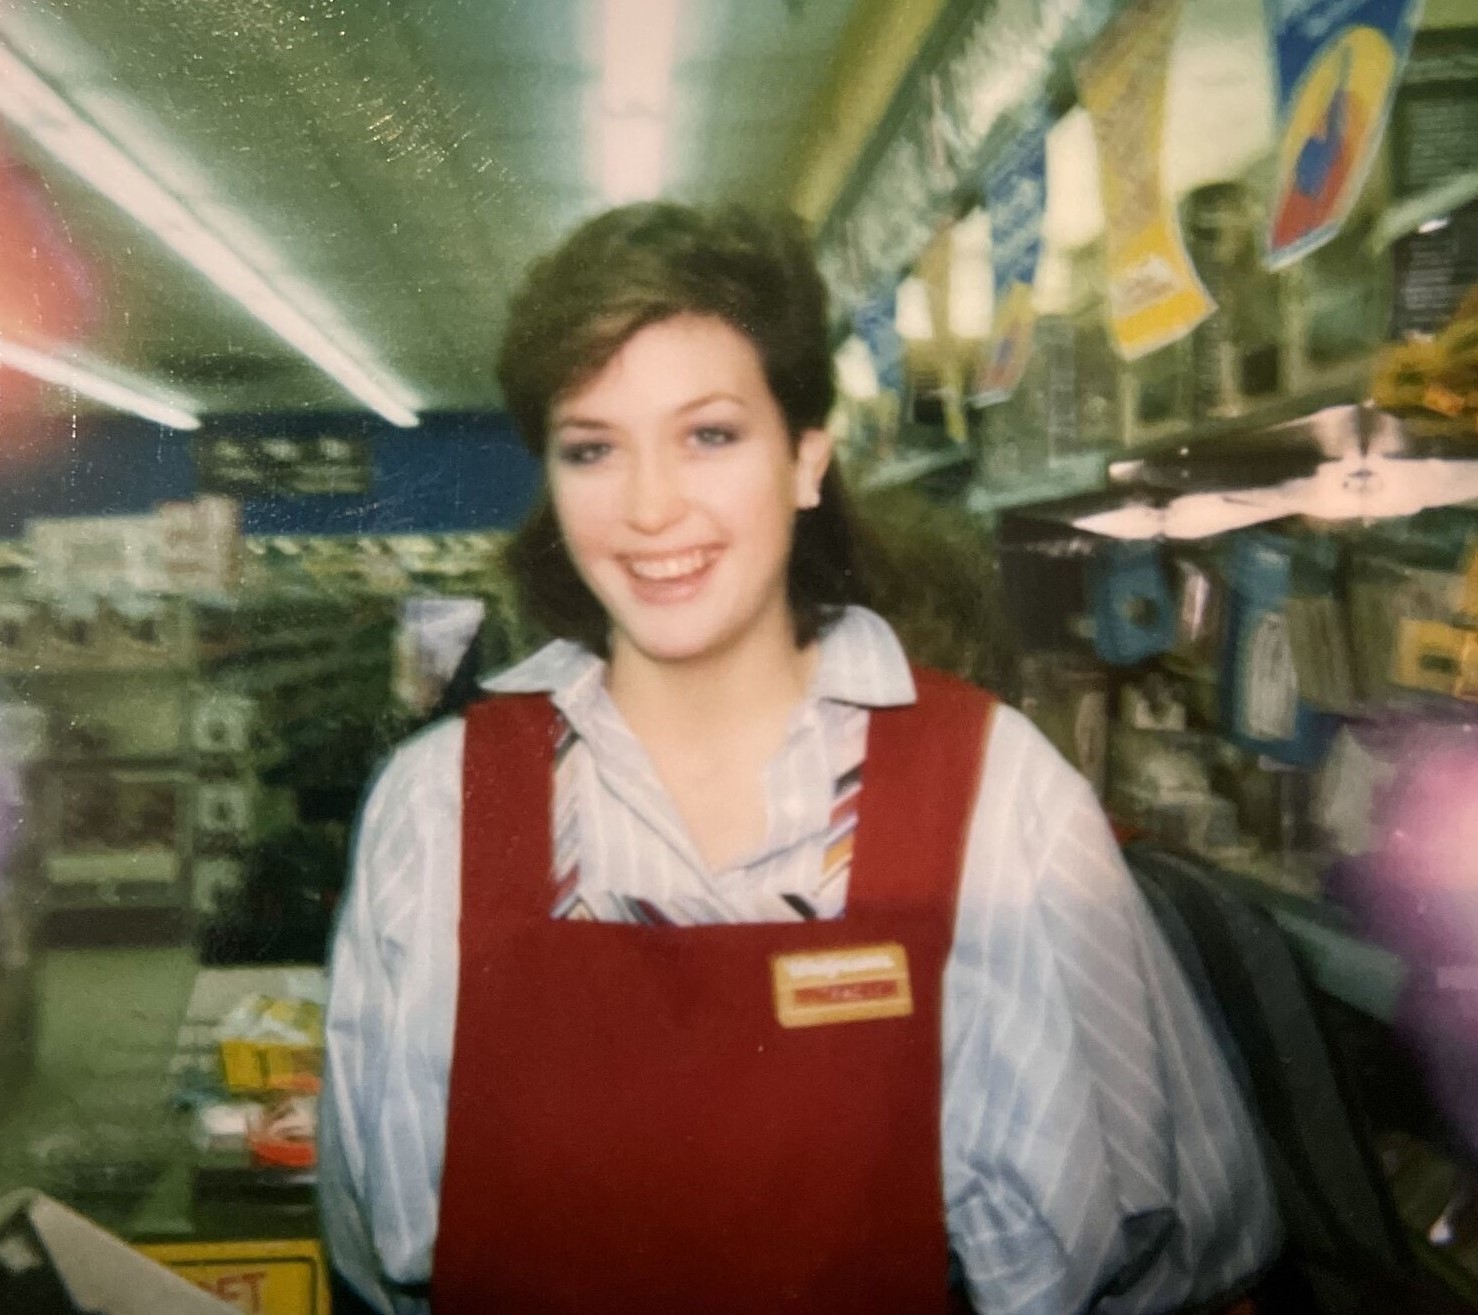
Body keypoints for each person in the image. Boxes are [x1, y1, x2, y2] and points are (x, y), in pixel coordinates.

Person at [318, 202, 1280, 1314]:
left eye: (709, 435)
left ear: (805, 459)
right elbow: (377, 1243)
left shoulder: (996, 798)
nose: (648, 507)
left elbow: (1156, 1244)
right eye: (592, 448)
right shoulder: (435, 808)